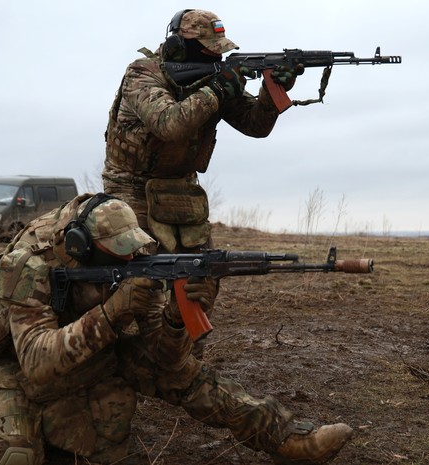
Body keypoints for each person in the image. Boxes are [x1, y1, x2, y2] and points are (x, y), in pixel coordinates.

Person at [0, 193, 353, 465]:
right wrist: (112, 314)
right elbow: (36, 362)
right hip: (10, 367)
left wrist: (177, 316)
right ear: (81, 247)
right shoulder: (29, 263)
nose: (129, 262)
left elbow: (167, 361)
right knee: (16, 456)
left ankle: (283, 436)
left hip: (89, 356)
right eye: (116, 255)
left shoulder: (136, 260)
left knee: (171, 384)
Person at [102, 9, 303, 355]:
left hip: (180, 187)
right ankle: (121, 353)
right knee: (140, 280)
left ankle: (182, 357)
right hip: (131, 187)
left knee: (202, 275)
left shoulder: (214, 80)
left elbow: (255, 125)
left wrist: (271, 93)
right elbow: (169, 123)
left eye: (218, 52)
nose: (215, 58)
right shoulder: (142, 74)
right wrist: (218, 88)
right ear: (178, 46)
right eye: (208, 51)